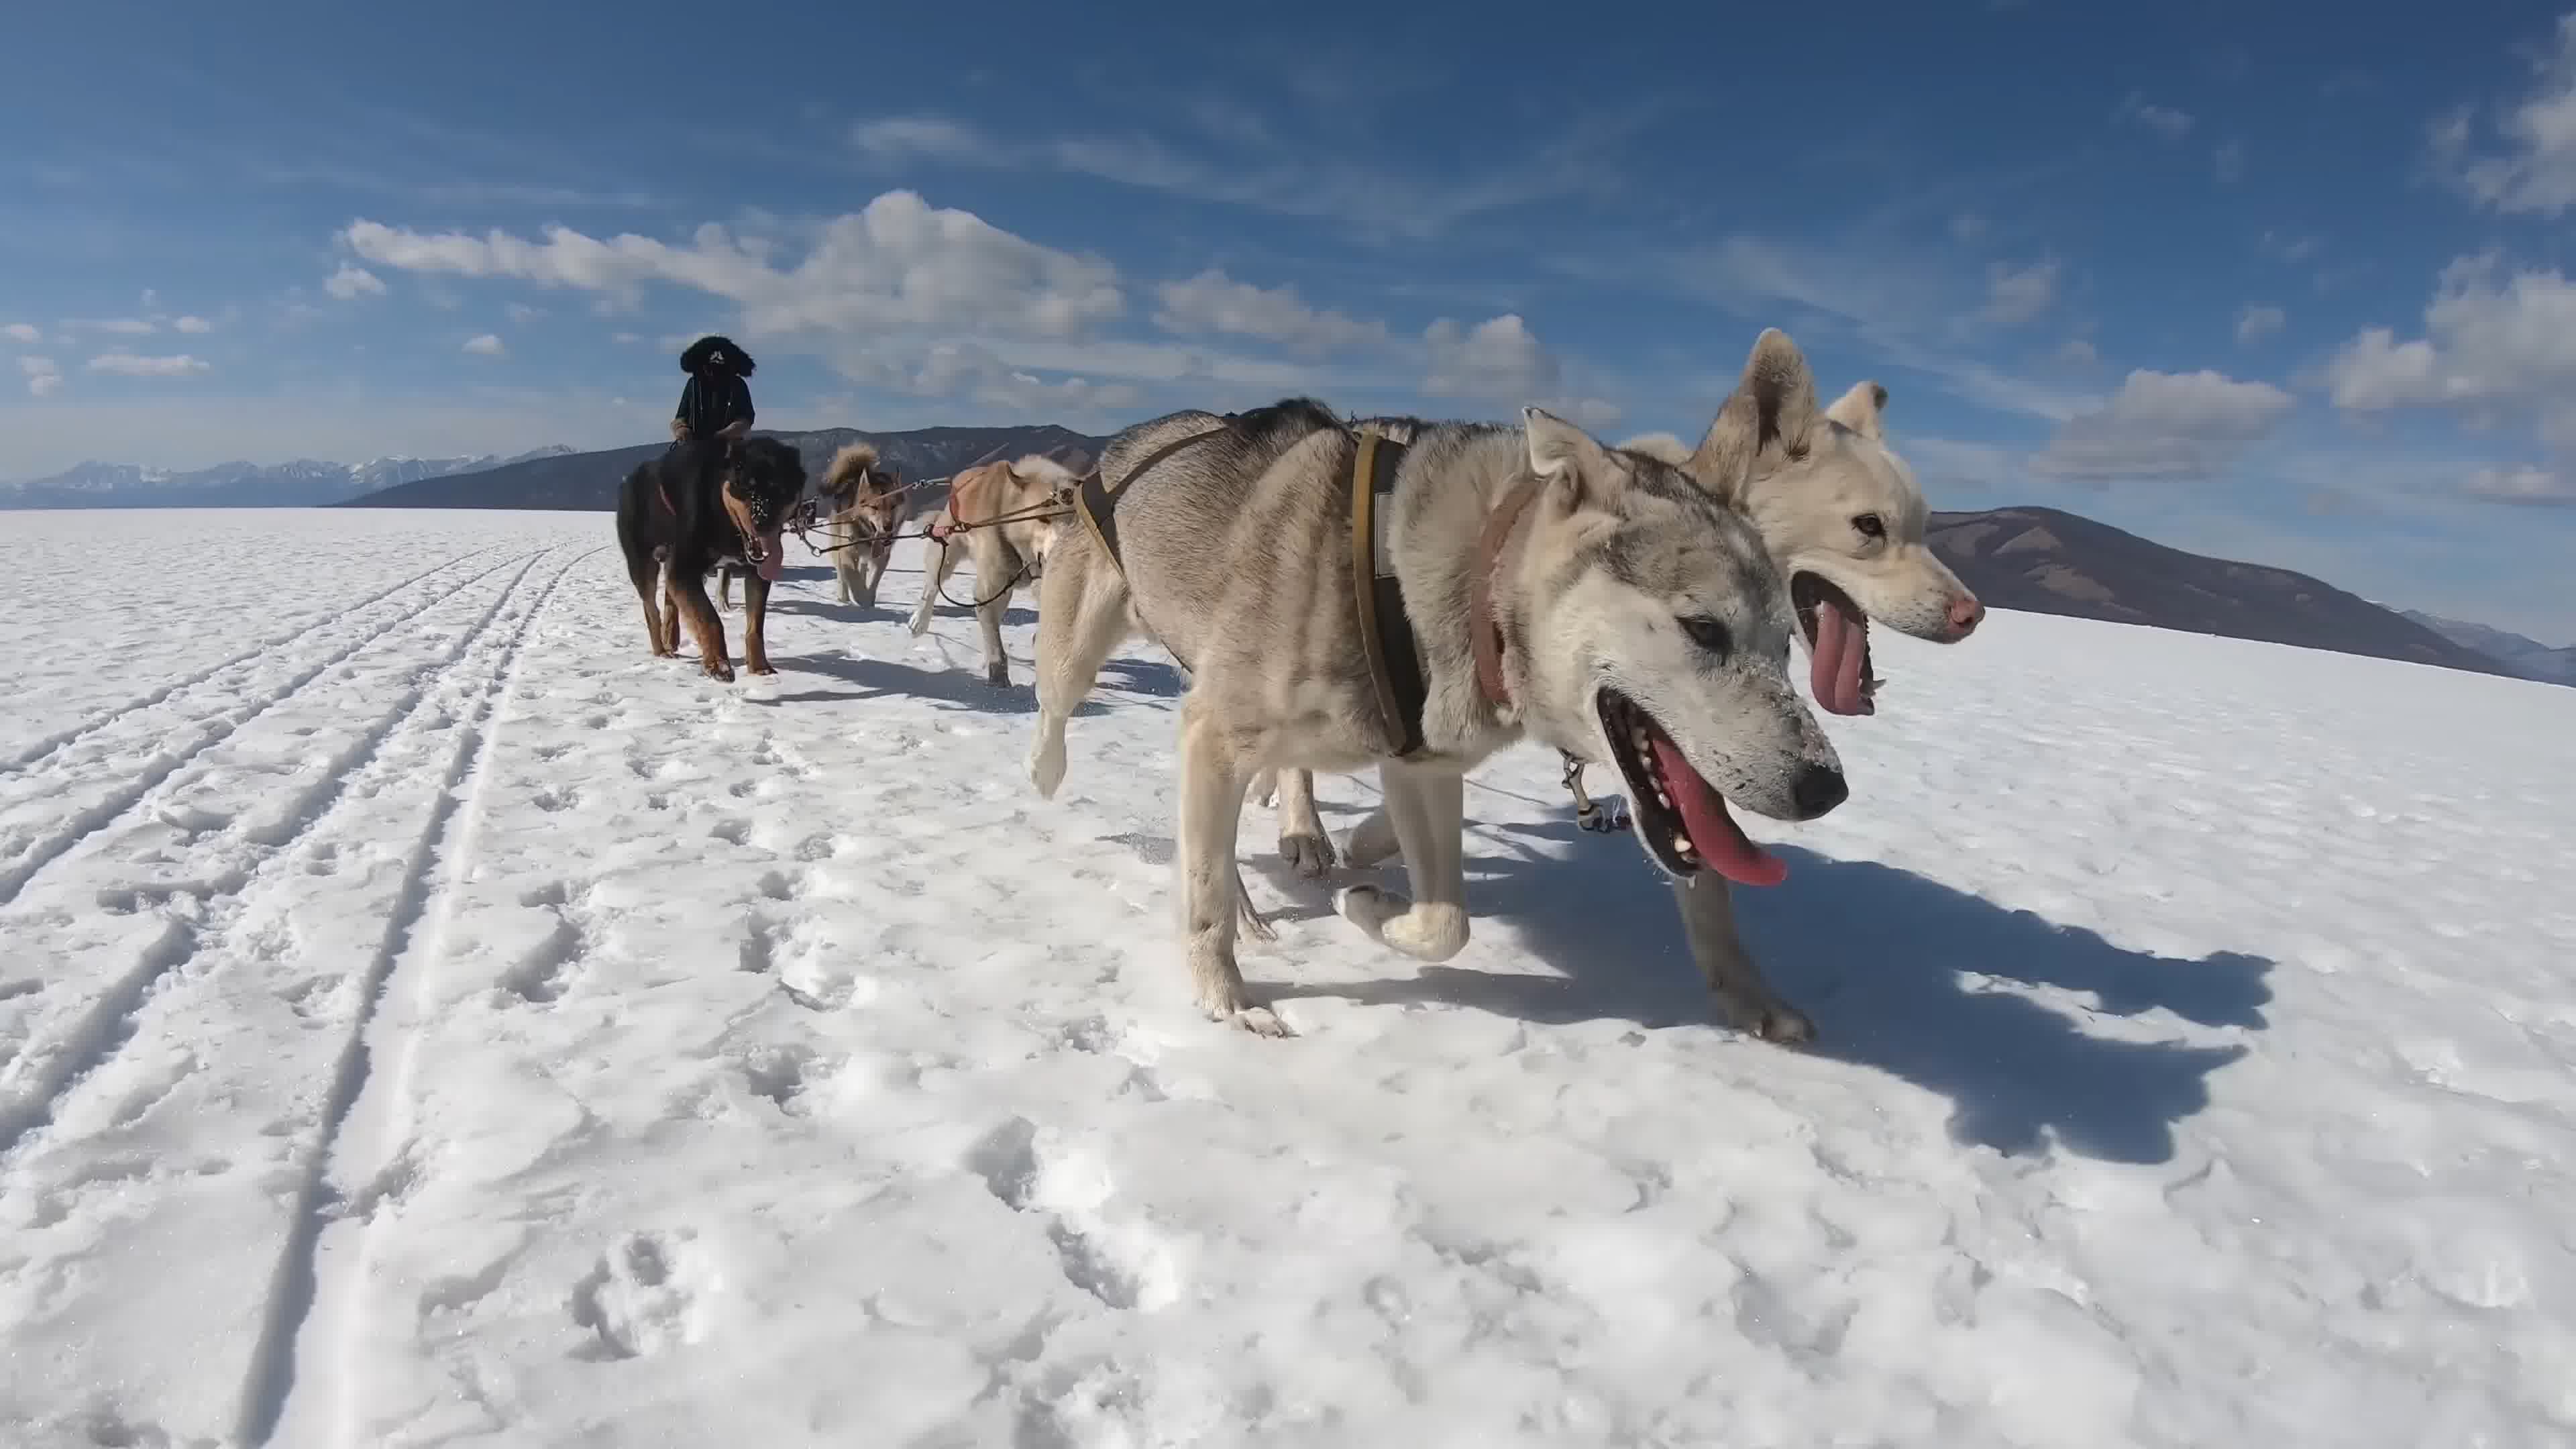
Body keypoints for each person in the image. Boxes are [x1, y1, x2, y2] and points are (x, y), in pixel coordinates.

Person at [670, 335, 756, 447]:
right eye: (710, 368)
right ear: (703, 366)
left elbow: (747, 416)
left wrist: (731, 431)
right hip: (694, 447)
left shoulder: (738, 384)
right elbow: (681, 416)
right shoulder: (693, 384)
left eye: (719, 369)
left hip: (730, 447)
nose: (713, 373)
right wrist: (681, 429)